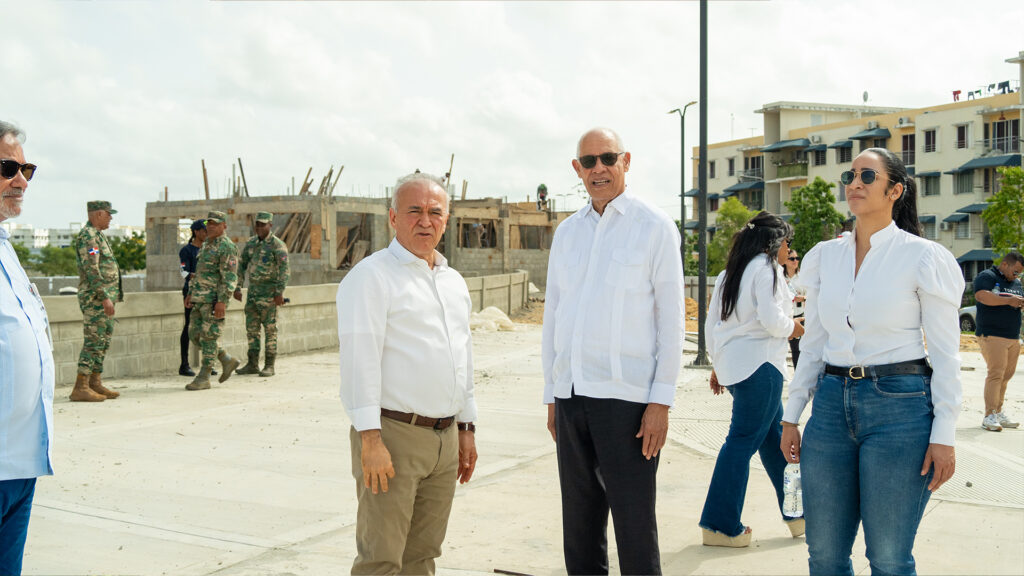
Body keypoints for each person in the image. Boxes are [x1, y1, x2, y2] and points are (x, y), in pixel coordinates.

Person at [780, 148, 964, 576]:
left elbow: (944, 353)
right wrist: (792, 415)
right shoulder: (826, 256)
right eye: (850, 175)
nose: (855, 183)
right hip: (828, 408)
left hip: (900, 409)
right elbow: (814, 344)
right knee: (824, 556)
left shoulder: (922, 256)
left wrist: (945, 433)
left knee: (888, 557)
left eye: (867, 175)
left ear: (895, 190)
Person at [542, 127, 683, 575]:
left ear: (626, 161)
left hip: (628, 402)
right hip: (571, 397)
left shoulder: (654, 227)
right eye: (589, 162)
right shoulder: (567, 233)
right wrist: (552, 394)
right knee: (579, 528)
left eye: (607, 158)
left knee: (635, 524)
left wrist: (660, 401)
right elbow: (554, 319)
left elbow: (672, 321)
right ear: (576, 169)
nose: (598, 168)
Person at [337, 172, 477, 575]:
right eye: (414, 210)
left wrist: (466, 429)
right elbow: (359, 361)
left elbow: (463, 358)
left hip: (445, 441)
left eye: (435, 212)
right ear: (393, 218)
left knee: (423, 556)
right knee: (381, 558)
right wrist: (370, 439)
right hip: (393, 438)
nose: (425, 220)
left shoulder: (453, 282)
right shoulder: (371, 277)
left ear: (446, 220)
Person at [699, 212, 805, 547]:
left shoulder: (728, 274)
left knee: (774, 443)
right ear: (772, 242)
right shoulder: (766, 269)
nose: (789, 248)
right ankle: (719, 524)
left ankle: (798, 514)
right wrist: (796, 328)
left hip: (738, 368)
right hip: (762, 367)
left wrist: (719, 364)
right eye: (786, 241)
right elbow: (773, 320)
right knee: (742, 442)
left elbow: (712, 325)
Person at [0, 120, 54, 576]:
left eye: (25, 169)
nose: (20, 180)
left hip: (19, 464)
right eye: (7, 168)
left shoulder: (7, 252)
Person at [71, 200, 123, 402]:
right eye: (109, 214)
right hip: (96, 299)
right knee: (93, 341)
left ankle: (95, 382)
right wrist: (104, 297)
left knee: (103, 339)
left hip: (104, 299)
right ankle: (80, 386)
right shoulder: (89, 237)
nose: (111, 218)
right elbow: (91, 269)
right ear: (98, 214)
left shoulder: (98, 235)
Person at [184, 210, 240, 390]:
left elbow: (229, 278)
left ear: (224, 225)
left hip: (213, 300)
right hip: (199, 298)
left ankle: (204, 377)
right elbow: (199, 273)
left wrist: (222, 301)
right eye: (209, 224)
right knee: (195, 335)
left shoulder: (227, 247)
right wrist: (191, 293)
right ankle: (225, 358)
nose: (212, 227)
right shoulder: (207, 244)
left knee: (209, 338)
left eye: (216, 224)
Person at [233, 211, 290, 377]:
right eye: (257, 224)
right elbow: (241, 265)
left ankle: (269, 365)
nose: (259, 227)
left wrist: (279, 292)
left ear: (270, 225)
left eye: (263, 224)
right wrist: (237, 287)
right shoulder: (251, 244)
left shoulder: (277, 245)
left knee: (270, 330)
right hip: (253, 294)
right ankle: (252, 364)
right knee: (252, 330)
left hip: (269, 295)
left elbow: (284, 271)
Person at [974, 251, 1024, 431]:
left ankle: (998, 411)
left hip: (1012, 337)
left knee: (1005, 377)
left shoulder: (1016, 283)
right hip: (992, 335)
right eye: (1015, 271)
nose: (1017, 276)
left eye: (1020, 273)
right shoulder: (987, 276)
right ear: (1005, 264)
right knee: (996, 374)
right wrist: (1009, 301)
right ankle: (989, 415)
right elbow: (982, 296)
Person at [178, 219, 208, 377]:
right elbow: (183, 272)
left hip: (207, 294)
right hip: (191, 292)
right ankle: (184, 364)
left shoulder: (208, 250)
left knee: (206, 328)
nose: (206, 233)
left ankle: (207, 363)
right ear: (196, 231)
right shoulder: (187, 251)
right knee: (189, 326)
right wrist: (198, 275)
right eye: (204, 230)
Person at [784, 248, 806, 368]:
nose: (795, 261)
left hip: (802, 314)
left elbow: (812, 295)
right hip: (787, 315)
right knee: (794, 348)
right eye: (792, 259)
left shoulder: (802, 276)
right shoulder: (781, 277)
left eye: (797, 258)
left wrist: (802, 298)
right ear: (786, 261)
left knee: (803, 347)